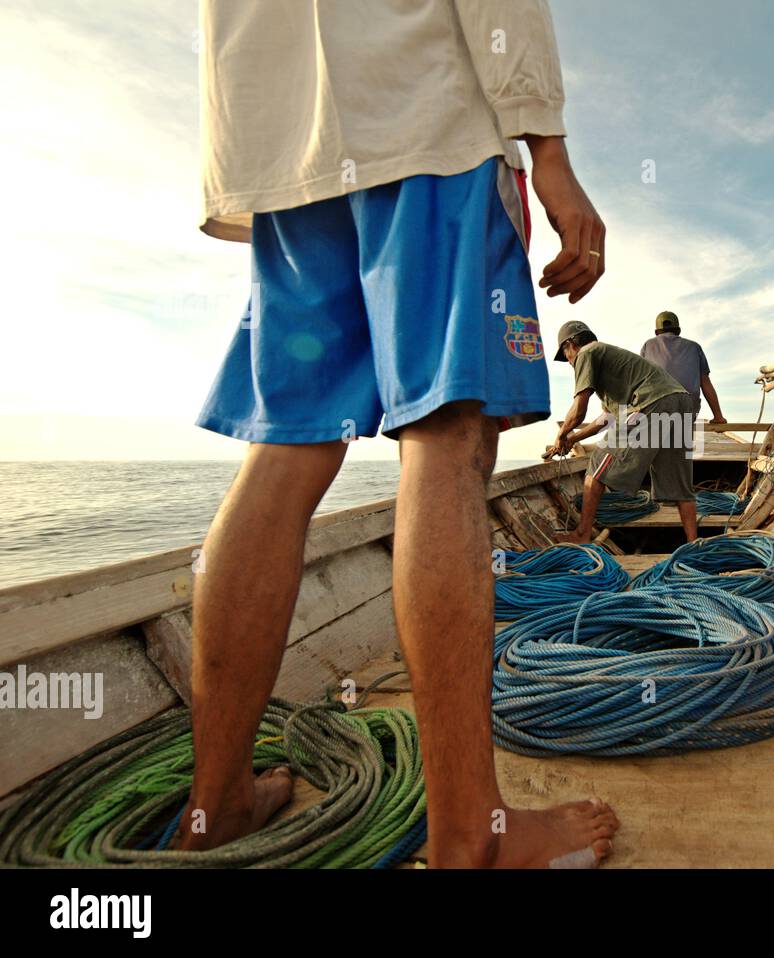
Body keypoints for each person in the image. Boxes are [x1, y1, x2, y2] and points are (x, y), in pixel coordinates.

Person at [186, 0, 619, 868]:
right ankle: (471, 833)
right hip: (424, 122)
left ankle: (218, 803)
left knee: (285, 452)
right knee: (449, 436)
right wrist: (550, 152)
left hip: (280, 147)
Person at [547, 321, 700, 543]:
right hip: (681, 402)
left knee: (598, 464)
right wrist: (573, 438)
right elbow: (606, 419)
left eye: (566, 355)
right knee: (680, 484)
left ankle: (581, 534)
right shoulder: (610, 361)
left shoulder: (586, 353)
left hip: (651, 402)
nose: (569, 361)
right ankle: (693, 543)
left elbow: (579, 410)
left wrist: (560, 435)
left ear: (570, 344)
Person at [640, 310, 726, 423]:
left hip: (657, 409)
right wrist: (718, 417)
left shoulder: (648, 345)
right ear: (678, 330)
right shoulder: (694, 347)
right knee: (681, 434)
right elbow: (705, 383)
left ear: (656, 332)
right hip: (687, 411)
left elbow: (640, 382)